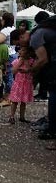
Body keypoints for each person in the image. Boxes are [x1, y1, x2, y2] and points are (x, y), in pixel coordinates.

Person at [28, 15, 56, 144]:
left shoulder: (35, 36)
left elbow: (42, 59)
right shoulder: (46, 29)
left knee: (54, 96)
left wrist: (31, 72)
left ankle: (52, 129)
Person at [8, 46, 35, 124]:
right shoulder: (17, 60)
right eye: (21, 50)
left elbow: (32, 70)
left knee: (24, 101)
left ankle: (22, 117)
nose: (21, 51)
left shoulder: (31, 61)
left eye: (23, 50)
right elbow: (13, 71)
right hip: (18, 84)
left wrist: (27, 66)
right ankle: (11, 116)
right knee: (14, 101)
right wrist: (20, 62)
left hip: (27, 84)